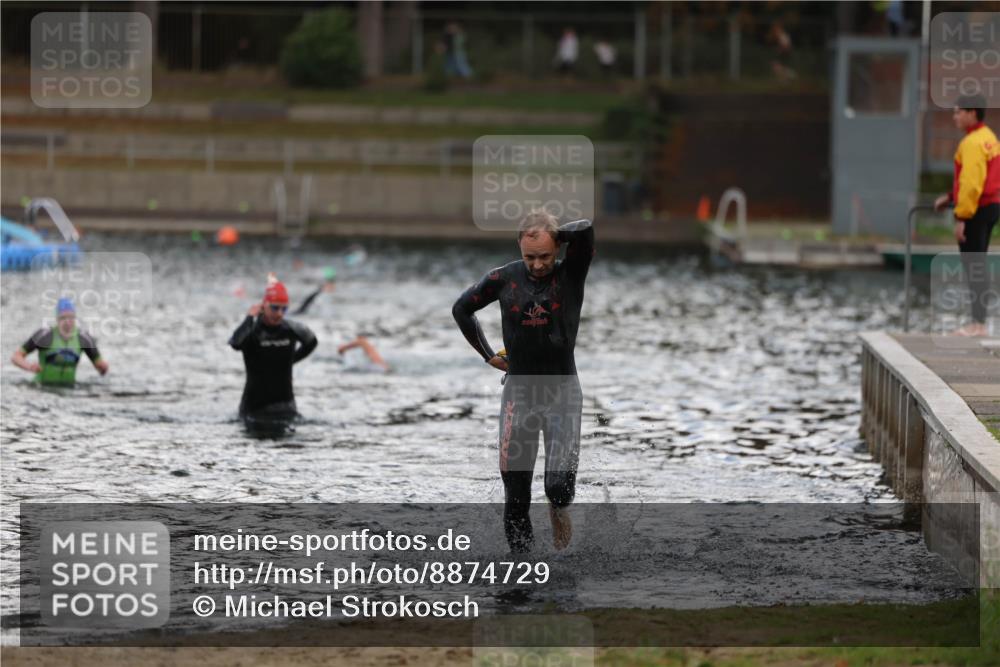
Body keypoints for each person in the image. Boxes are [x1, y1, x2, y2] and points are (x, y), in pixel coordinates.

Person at [453, 212, 594, 552]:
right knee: (516, 496)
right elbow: (461, 309)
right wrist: (488, 354)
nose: (538, 264)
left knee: (557, 487)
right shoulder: (504, 278)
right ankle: (524, 570)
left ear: (557, 249)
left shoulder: (570, 273)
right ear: (519, 246)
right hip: (519, 393)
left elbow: (586, 229)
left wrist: (556, 234)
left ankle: (559, 510)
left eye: (545, 256)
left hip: (562, 393)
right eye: (530, 256)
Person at [934, 94, 1000, 336]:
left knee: (974, 267)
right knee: (978, 265)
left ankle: (978, 324)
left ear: (972, 112)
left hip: (976, 210)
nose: (954, 116)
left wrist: (961, 217)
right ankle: (979, 322)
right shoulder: (989, 138)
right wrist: (951, 196)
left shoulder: (971, 143)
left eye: (957, 111)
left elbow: (971, 184)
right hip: (991, 206)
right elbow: (976, 179)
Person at [229, 278, 317, 426]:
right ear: (264, 306)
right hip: (254, 409)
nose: (280, 313)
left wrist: (291, 360)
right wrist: (249, 317)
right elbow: (235, 343)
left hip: (286, 407)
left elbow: (312, 342)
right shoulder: (252, 331)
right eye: (275, 308)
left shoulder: (291, 329)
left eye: (284, 309)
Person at [11, 297, 108, 386]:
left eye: (70, 317)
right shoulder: (44, 335)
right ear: (57, 319)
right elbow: (16, 357)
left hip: (69, 389)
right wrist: (29, 366)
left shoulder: (84, 338)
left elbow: (100, 366)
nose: (67, 321)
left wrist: (103, 368)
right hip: (42, 388)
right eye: (63, 318)